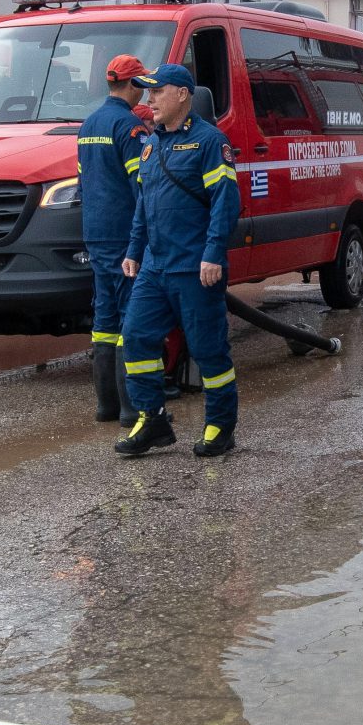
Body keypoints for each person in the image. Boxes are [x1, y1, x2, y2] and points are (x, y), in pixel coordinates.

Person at [115, 63, 240, 459]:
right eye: (147, 93)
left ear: (182, 94)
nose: (149, 100)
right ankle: (152, 420)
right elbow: (143, 206)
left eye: (157, 92)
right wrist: (134, 251)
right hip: (155, 267)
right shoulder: (151, 144)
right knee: (135, 338)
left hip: (195, 267)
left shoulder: (209, 142)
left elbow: (225, 202)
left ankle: (220, 425)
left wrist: (213, 253)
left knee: (208, 352)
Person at [75, 53, 149, 422]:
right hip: (124, 236)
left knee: (104, 320)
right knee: (129, 318)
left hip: (96, 234)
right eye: (143, 85)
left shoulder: (88, 125)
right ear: (132, 85)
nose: (146, 94)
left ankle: (105, 405)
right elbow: (142, 187)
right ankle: (129, 408)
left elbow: (83, 184)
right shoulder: (130, 128)